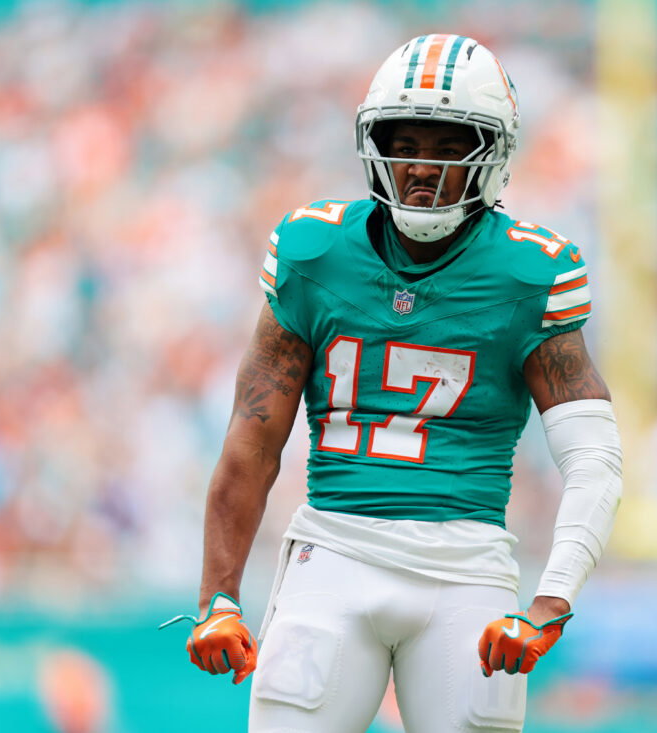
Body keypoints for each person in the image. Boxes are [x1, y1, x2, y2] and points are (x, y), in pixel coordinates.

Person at [164, 34, 623, 733]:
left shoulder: (529, 273)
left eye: (449, 147)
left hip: (466, 568)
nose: (421, 167)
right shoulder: (315, 251)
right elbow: (252, 437)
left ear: (493, 154)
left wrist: (552, 599)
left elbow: (594, 458)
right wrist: (218, 595)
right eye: (404, 143)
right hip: (334, 551)